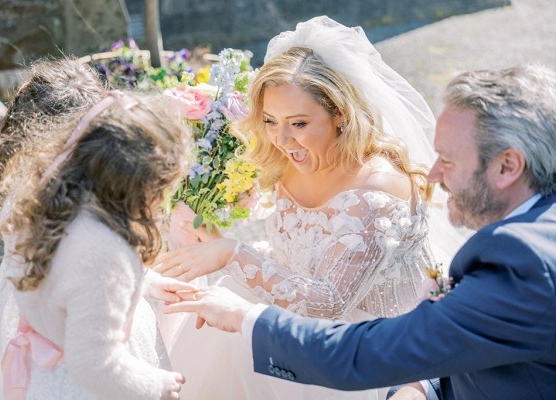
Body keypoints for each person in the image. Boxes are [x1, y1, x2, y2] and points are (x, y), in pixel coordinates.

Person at [165, 63, 556, 400]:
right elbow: (453, 340)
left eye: (448, 160)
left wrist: (246, 318)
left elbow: (372, 350)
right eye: (270, 122)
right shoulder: (533, 235)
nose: (432, 175)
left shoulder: (520, 262)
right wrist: (423, 388)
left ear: (507, 166)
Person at [156, 16, 463, 400]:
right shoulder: (294, 161)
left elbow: (330, 302)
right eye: (270, 121)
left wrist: (233, 254)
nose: (282, 139)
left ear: (340, 115)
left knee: (236, 313)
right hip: (298, 322)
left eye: (298, 123)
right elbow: (300, 258)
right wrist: (220, 245)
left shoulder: (375, 191)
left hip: (363, 348)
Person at [0, 85, 196, 399]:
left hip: (44, 379)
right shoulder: (106, 252)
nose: (163, 201)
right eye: (162, 188)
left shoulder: (42, 206)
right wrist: (156, 385)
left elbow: (72, 282)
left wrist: (146, 283)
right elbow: (94, 365)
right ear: (136, 181)